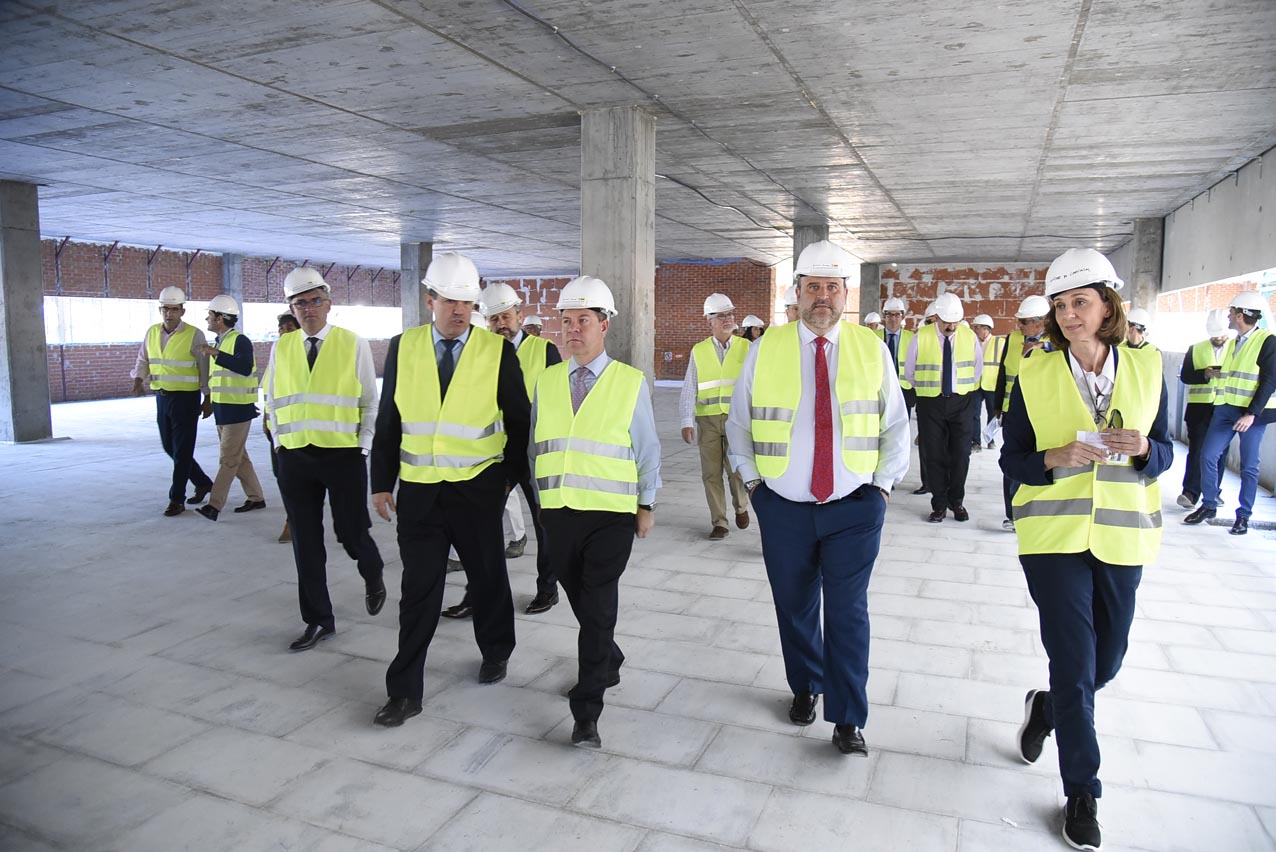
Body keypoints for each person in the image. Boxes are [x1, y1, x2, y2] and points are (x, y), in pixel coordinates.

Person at [1001, 247, 1172, 852]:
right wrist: (1053, 458)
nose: (1070, 314)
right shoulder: (1034, 373)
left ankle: (1046, 709)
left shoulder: (1149, 366)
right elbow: (1011, 460)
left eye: (1081, 302)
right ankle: (1082, 791)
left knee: (1107, 662)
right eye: (1061, 304)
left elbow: (1168, 450)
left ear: (1109, 305)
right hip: (1052, 539)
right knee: (1075, 663)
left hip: (1123, 534)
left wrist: (1148, 451)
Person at [727, 239, 908, 757]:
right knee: (795, 605)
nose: (822, 297)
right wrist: (753, 485)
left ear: (845, 293)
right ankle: (806, 684)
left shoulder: (871, 347)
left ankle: (849, 717)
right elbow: (741, 422)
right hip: (782, 505)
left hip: (854, 505)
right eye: (813, 287)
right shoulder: (767, 346)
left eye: (832, 287)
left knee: (848, 612)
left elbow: (895, 424)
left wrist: (882, 487)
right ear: (798, 293)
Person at [368, 253, 530, 727]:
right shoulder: (403, 347)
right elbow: (388, 420)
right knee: (418, 591)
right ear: (430, 299)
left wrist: (505, 480)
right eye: (450, 300)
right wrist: (381, 483)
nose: (459, 310)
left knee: (487, 577)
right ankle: (404, 692)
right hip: (419, 493)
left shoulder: (496, 351)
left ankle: (496, 649)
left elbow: (520, 422)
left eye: (467, 302)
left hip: (477, 489)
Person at [529, 275, 661, 749]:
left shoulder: (630, 382)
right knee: (580, 600)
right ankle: (611, 656)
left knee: (599, 603)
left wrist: (646, 503)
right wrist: (542, 504)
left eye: (583, 320)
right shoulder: (546, 381)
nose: (573, 329)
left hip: (611, 514)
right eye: (566, 321)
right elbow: (535, 446)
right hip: (560, 513)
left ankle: (587, 711)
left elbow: (647, 448)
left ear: (604, 325)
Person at [265, 266, 386, 652]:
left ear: (328, 304)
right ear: (291, 309)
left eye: (315, 300)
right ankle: (319, 620)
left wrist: (363, 445)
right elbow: (271, 399)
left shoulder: (352, 343)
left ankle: (373, 570)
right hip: (296, 458)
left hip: (343, 455)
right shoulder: (281, 346)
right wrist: (281, 445)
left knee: (349, 532)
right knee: (306, 542)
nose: (308, 309)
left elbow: (370, 399)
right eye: (300, 303)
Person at [483, 281, 561, 613]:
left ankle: (548, 588)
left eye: (506, 316)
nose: (501, 324)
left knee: (545, 524)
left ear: (519, 314)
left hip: (535, 455)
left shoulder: (544, 351)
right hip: (496, 455)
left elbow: (559, 404)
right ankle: (479, 591)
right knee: (480, 526)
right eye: (494, 319)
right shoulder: (480, 354)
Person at [1185, 290, 1276, 536]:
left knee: (1249, 466)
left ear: (1240, 315)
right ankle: (1209, 505)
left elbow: (1270, 381)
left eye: (1231, 312)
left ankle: (1243, 516)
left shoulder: (1267, 341)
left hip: (1251, 415)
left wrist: (1251, 413)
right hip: (1226, 409)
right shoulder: (1235, 341)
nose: (1228, 316)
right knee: (1208, 455)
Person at [130, 286, 214, 516]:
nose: (170, 313)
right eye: (166, 309)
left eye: (175, 309)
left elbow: (204, 367)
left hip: (186, 399)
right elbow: (143, 359)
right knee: (170, 446)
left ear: (182, 311)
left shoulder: (194, 334)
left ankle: (177, 499)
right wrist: (138, 379)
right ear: (161, 309)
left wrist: (208, 397)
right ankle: (203, 482)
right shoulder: (152, 332)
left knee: (183, 450)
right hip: (162, 397)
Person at [905, 292, 983, 522]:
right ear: (937, 317)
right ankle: (939, 504)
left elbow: (977, 368)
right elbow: (910, 371)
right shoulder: (922, 336)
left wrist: (962, 387)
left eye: (954, 321)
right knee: (935, 455)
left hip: (962, 401)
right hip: (931, 402)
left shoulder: (969, 336)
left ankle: (956, 501)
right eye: (946, 321)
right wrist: (928, 391)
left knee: (961, 454)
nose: (950, 326)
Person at [680, 293, 751, 540]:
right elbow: (690, 386)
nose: (727, 319)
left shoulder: (746, 347)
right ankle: (719, 522)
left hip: (736, 420)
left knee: (736, 470)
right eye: (721, 316)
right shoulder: (698, 351)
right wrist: (686, 421)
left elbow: (754, 385)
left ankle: (741, 507)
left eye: (730, 314)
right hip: (707, 421)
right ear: (708, 321)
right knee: (711, 473)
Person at [193, 295, 266, 521]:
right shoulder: (221, 341)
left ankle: (214, 506)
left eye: (210, 315)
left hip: (238, 411)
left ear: (220, 318)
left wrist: (216, 354)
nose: (207, 318)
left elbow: (244, 367)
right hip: (224, 410)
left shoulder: (239, 340)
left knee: (228, 459)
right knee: (238, 458)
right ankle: (256, 497)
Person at [995, 294, 1051, 531]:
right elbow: (1002, 373)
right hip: (1013, 412)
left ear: (1041, 322)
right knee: (1012, 463)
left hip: (1044, 415)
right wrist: (997, 406)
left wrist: (1043, 346)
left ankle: (1037, 511)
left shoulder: (1056, 342)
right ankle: (1013, 514)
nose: (1020, 326)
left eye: (1024, 321)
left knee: (1040, 464)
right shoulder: (1013, 339)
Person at [1176, 309, 1231, 510]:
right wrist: (1205, 374)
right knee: (1197, 450)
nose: (1218, 338)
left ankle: (1213, 492)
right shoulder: (1196, 349)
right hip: (1199, 410)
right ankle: (1190, 493)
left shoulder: (1236, 349)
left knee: (1219, 453)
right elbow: (1186, 377)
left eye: (1221, 334)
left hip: (1225, 408)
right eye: (1214, 334)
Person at [875, 297, 921, 493]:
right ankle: (880, 472)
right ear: (883, 317)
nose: (893, 319)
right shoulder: (873, 336)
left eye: (896, 315)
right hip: (879, 388)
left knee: (899, 429)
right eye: (888, 315)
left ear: (903, 317)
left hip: (904, 388)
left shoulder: (912, 337)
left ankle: (893, 471)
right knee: (879, 430)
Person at [264, 312, 301, 542]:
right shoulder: (276, 353)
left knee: (295, 480)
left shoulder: (306, 357)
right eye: (281, 328)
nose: (284, 332)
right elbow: (269, 392)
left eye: (290, 327)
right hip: (277, 431)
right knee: (282, 477)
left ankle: (292, 521)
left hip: (299, 432)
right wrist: (266, 419)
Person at [971, 314, 1005, 452]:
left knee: (993, 414)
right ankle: (976, 442)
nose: (975, 330)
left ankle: (990, 440)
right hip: (976, 383)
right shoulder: (972, 342)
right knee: (974, 414)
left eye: (977, 327)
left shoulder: (1000, 343)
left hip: (992, 384)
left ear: (986, 329)